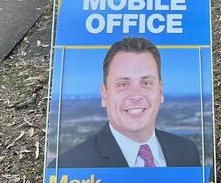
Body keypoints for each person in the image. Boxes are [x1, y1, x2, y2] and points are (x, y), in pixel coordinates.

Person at [49, 37, 200, 168]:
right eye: (123, 84)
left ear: (160, 91)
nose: (136, 95)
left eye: (146, 83)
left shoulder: (187, 151)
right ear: (104, 95)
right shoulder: (68, 167)